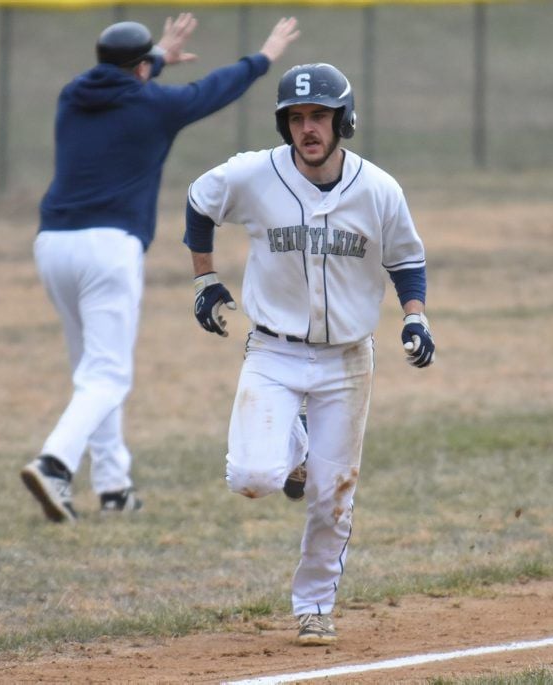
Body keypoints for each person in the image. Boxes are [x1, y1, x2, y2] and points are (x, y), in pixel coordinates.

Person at [183, 62, 435, 645]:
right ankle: (293, 447)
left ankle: (315, 606)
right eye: (296, 118)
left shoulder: (378, 189)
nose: (307, 129)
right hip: (273, 352)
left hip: (348, 361)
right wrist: (204, 278)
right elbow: (198, 202)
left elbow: (406, 259)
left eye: (318, 116)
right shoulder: (253, 175)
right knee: (251, 477)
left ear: (343, 120)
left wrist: (415, 317)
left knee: (331, 495)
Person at [20, 13, 301, 523]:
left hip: (53, 244)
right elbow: (213, 89)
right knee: (107, 375)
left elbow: (122, 77)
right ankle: (55, 464)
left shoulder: (71, 96)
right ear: (141, 71)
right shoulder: (154, 106)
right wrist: (263, 58)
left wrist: (156, 58)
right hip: (108, 248)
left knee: (93, 372)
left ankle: (113, 487)